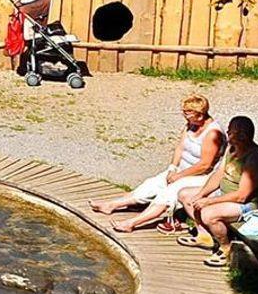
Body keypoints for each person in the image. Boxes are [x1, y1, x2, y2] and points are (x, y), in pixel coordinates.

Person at [90, 94, 225, 233]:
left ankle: (132, 223)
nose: (184, 116)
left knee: (168, 194)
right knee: (151, 184)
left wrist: (179, 176)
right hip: (182, 170)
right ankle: (111, 205)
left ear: (200, 115)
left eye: (188, 113)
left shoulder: (212, 133)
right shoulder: (191, 124)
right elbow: (180, 147)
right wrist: (173, 168)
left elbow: (205, 165)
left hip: (201, 176)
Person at [181, 115, 258, 267]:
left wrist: (209, 201)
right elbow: (219, 175)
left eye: (232, 132)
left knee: (208, 214)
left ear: (243, 136)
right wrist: (201, 194)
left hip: (249, 205)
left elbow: (242, 196)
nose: (228, 134)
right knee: (186, 195)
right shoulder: (232, 149)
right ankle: (205, 235)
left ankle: (225, 248)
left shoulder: (254, 159)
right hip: (226, 194)